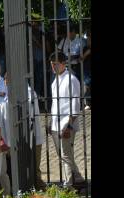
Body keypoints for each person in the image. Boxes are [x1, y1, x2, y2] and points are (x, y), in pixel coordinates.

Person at [49, 52, 86, 189]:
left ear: (63, 63)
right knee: (64, 154)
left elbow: (75, 104)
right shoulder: (55, 79)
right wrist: (50, 122)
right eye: (52, 65)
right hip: (55, 123)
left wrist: (69, 126)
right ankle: (78, 177)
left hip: (66, 123)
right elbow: (54, 103)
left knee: (65, 155)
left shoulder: (71, 79)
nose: (53, 67)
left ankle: (68, 184)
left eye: (56, 64)